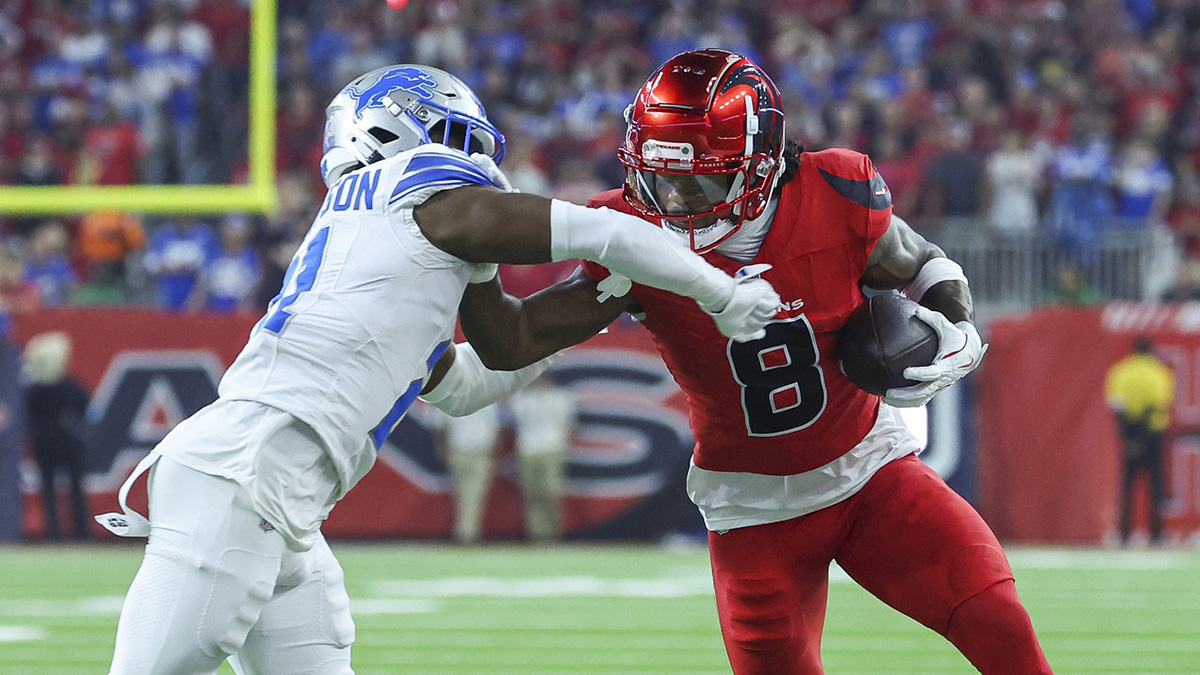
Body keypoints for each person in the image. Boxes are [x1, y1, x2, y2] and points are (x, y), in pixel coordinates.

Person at [99, 63, 780, 675]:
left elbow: (493, 359)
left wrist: (608, 298)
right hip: (246, 476)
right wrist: (719, 292)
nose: (473, 155)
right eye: (458, 136)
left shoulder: (385, 252)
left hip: (276, 494)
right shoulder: (418, 192)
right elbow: (602, 232)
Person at [456, 50, 1052, 674]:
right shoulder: (629, 235)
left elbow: (923, 262)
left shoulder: (835, 190)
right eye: (663, 179)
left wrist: (956, 324)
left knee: (997, 621)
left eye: (702, 181)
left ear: (761, 166)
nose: (679, 199)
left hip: (870, 473)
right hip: (752, 510)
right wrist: (477, 265)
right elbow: (513, 341)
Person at [1104, 335, 1174, 547]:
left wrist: (1128, 436)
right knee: (1156, 485)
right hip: (1152, 433)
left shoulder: (1121, 371)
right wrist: (1143, 433)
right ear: (1150, 350)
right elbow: (1158, 404)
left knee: (1126, 485)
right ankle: (1157, 534)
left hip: (1129, 433)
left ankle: (1123, 533)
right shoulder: (1159, 372)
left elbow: (1117, 407)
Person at [24, 332, 91, 540]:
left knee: (49, 491)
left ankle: (54, 533)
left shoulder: (33, 390)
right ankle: (81, 533)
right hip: (68, 443)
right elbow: (85, 407)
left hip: (45, 443)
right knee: (75, 488)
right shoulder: (70, 387)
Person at [509, 372, 576, 542]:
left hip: (552, 448)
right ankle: (538, 534)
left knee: (551, 492)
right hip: (527, 449)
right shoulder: (523, 398)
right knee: (532, 494)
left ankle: (555, 532)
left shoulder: (560, 397)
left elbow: (569, 425)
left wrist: (563, 447)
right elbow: (513, 423)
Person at [440, 403, 503, 544]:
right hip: (477, 451)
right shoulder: (487, 398)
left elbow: (440, 427)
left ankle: (464, 531)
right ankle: (468, 534)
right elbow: (495, 427)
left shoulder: (451, 397)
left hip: (460, 449)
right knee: (474, 494)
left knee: (463, 495)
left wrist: (442, 449)